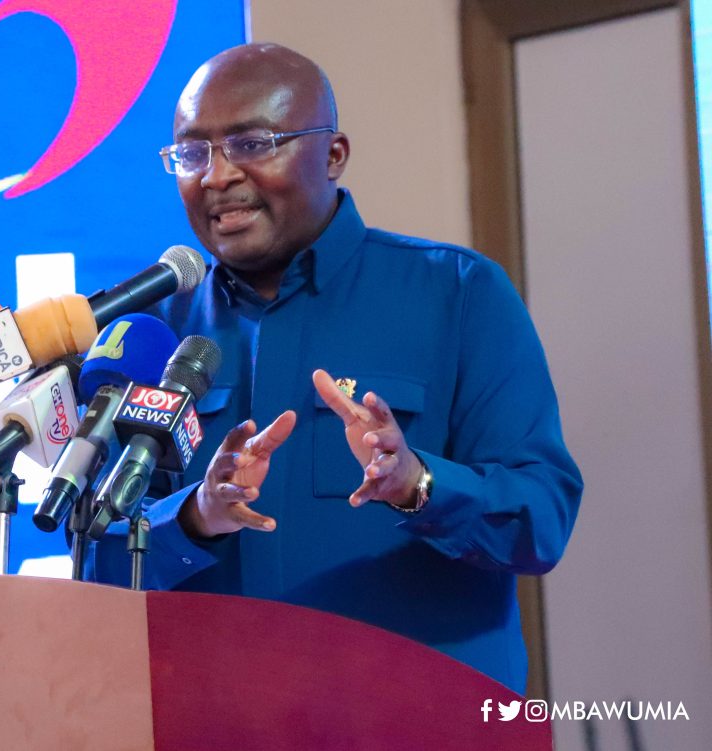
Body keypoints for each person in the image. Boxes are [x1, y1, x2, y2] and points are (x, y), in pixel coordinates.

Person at [86, 43, 583, 693]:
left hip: (421, 722)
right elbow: (93, 561)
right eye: (192, 153)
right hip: (214, 722)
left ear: (334, 155)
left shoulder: (459, 295)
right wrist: (195, 515)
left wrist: (417, 483)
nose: (215, 176)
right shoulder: (152, 333)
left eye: (251, 144)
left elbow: (540, 522)